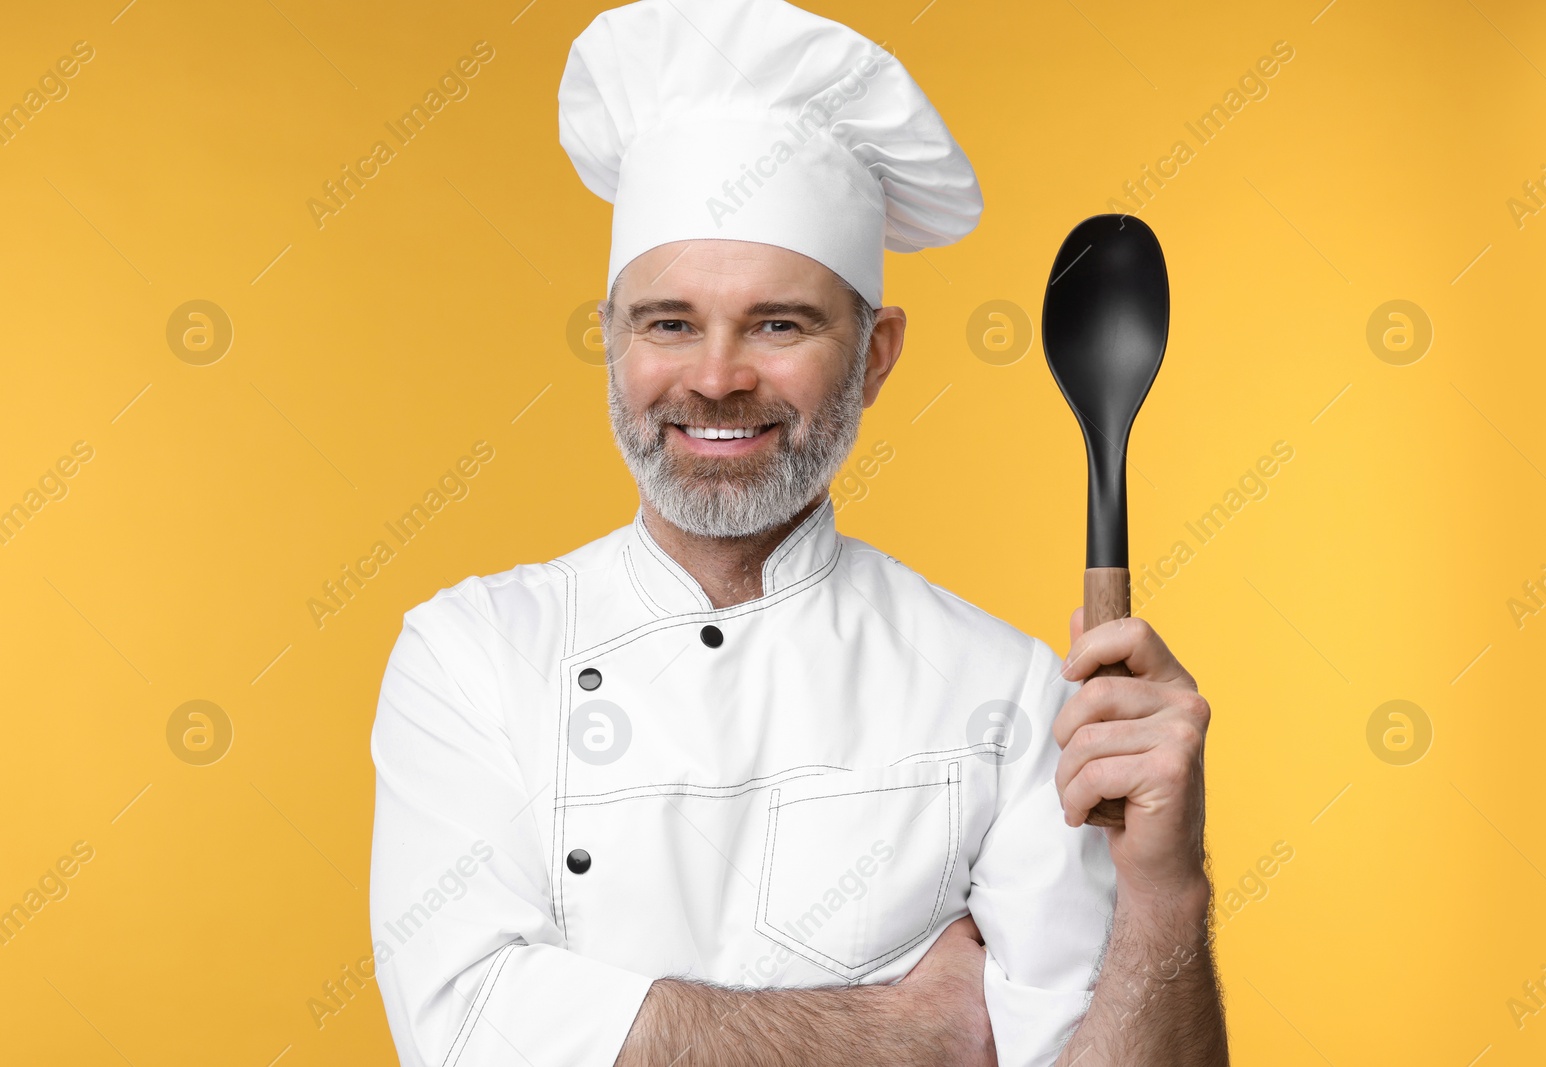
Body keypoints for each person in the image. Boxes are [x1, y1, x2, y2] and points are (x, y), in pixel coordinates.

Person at [368, 1, 1227, 1063]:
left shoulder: (1008, 698)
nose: (717, 376)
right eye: (668, 321)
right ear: (611, 342)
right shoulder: (471, 655)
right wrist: (906, 1032)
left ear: (874, 355)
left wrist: (1164, 890)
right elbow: (467, 1029)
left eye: (779, 324)